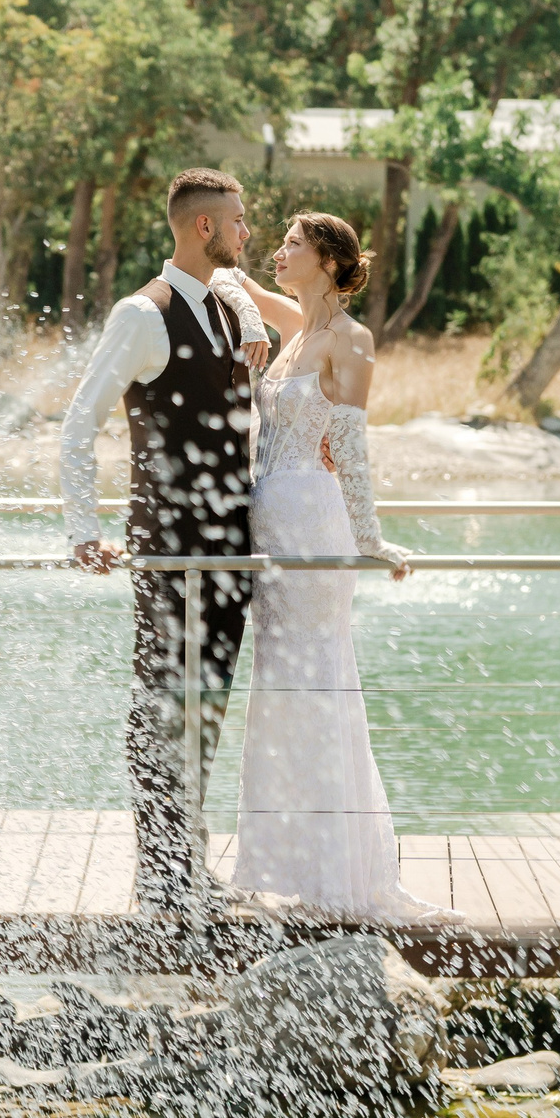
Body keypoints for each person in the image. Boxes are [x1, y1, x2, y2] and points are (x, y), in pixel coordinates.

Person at [223, 212, 453, 922]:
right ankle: (281, 859)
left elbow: (349, 445)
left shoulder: (353, 339)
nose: (279, 251)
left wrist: (371, 538)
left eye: (293, 244)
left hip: (315, 527)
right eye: (283, 243)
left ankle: (338, 866)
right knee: (276, 685)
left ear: (328, 260)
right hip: (269, 522)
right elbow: (228, 277)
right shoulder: (295, 329)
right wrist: (251, 319)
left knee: (319, 679)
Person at [60, 168, 270, 925]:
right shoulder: (140, 314)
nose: (248, 232)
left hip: (230, 549)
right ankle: (160, 873)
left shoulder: (225, 304)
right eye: (239, 221)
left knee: (206, 702)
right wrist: (84, 528)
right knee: (160, 702)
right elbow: (78, 422)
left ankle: (189, 861)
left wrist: (246, 309)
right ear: (204, 227)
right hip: (166, 546)